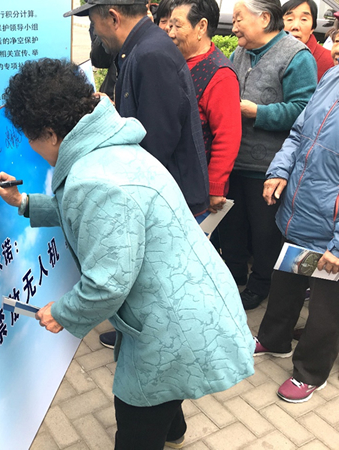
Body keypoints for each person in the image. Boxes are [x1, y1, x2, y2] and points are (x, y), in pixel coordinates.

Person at [0, 58, 254, 450]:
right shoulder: (110, 148)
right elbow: (90, 216)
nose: (32, 147)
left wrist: (62, 312)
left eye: (31, 137)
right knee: (163, 390)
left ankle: (163, 433)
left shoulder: (93, 179)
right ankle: (173, 432)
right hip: (187, 296)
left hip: (172, 319)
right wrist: (24, 202)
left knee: (136, 415)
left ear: (50, 133)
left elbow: (107, 284)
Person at [65, 0, 210, 349]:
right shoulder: (141, 48)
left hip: (168, 191)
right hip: (161, 188)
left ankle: (152, 344)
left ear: (113, 17)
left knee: (158, 279)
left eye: (94, 24)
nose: (95, 34)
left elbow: (157, 139)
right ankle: (135, 331)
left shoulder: (150, 54)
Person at [217, 0, 317, 310]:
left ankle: (261, 284)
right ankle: (233, 276)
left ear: (263, 19)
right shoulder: (240, 52)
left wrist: (258, 112)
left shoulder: (296, 56)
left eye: (239, 19)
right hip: (235, 160)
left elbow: (304, 112)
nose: (234, 27)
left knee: (265, 236)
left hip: (269, 167)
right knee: (231, 227)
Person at [254, 63, 339, 403]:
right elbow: (298, 133)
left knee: (326, 307)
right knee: (287, 281)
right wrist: (279, 170)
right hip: (301, 213)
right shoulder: (332, 76)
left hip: (331, 231)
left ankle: (310, 372)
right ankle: (274, 340)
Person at [168, 0, 241, 213]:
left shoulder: (220, 74)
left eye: (177, 25)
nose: (170, 33)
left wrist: (214, 186)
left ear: (201, 26)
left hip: (197, 187)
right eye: (169, 25)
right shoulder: (173, 61)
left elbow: (227, 136)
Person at [282, 0, 334, 81]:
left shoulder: (329, 61)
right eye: (289, 19)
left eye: (304, 19)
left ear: (312, 27)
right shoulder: (268, 55)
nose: (295, 26)